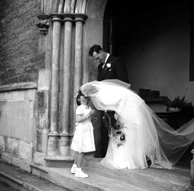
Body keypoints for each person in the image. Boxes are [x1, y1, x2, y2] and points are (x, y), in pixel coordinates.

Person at [80, 79, 194, 170]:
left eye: (87, 95)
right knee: (125, 133)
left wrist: (114, 117)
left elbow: (117, 102)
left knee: (129, 133)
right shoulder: (102, 93)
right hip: (124, 111)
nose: (88, 97)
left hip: (129, 110)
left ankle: (130, 159)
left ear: (91, 92)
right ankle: (126, 158)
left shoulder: (103, 94)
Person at [89, 44, 129, 158]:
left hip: (117, 100)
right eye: (95, 59)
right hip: (106, 101)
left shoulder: (116, 61)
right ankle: (103, 152)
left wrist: (119, 98)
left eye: (97, 58)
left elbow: (123, 81)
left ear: (102, 52)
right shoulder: (100, 67)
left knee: (117, 124)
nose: (97, 61)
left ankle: (119, 152)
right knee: (105, 124)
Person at [70, 90, 96, 177]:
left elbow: (86, 119)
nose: (84, 96)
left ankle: (74, 166)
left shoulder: (87, 108)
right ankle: (78, 170)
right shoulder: (80, 108)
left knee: (79, 149)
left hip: (87, 129)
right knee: (81, 149)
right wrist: (89, 114)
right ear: (79, 99)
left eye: (85, 95)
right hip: (82, 130)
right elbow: (79, 120)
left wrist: (93, 118)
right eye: (82, 95)